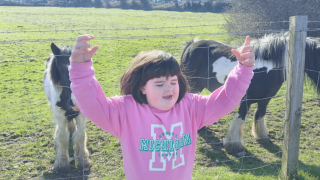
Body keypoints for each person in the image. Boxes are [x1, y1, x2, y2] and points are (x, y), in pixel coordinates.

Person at [69, 34, 255, 180]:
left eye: (174, 82)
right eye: (159, 84)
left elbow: (224, 101)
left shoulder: (190, 107)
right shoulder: (124, 111)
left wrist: (243, 70)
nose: (169, 88)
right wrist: (81, 69)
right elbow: (94, 106)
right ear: (142, 87)